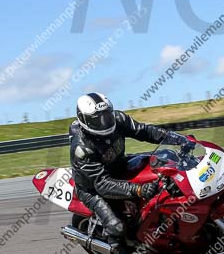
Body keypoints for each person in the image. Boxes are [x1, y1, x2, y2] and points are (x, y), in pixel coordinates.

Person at [69, 92, 189, 242]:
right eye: (98, 120)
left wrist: (179, 139)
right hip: (93, 188)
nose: (105, 122)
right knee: (117, 227)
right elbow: (102, 185)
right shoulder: (82, 149)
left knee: (164, 159)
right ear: (84, 120)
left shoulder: (118, 119)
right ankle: (118, 249)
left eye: (107, 115)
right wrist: (138, 189)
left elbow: (145, 131)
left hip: (119, 165)